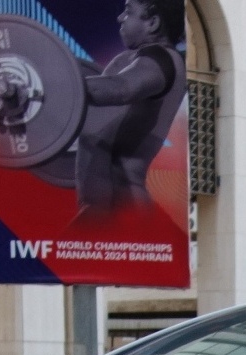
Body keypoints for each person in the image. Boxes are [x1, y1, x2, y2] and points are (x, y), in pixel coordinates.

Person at [74, 0, 186, 219]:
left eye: (128, 11)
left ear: (152, 23)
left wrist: (57, 85)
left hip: (121, 211)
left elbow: (121, 88)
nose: (120, 18)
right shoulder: (132, 59)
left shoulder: (161, 59)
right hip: (104, 211)